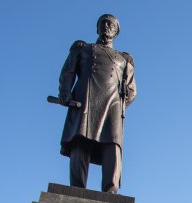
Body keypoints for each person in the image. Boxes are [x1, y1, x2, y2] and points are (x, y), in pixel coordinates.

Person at [58, 14, 136, 193]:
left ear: (116, 31)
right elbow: (68, 72)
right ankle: (77, 188)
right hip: (85, 99)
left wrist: (120, 105)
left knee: (112, 144)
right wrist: (65, 93)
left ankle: (110, 189)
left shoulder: (124, 59)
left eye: (111, 24)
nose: (107, 26)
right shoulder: (83, 49)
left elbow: (131, 90)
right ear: (97, 28)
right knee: (80, 140)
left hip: (112, 104)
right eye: (104, 23)